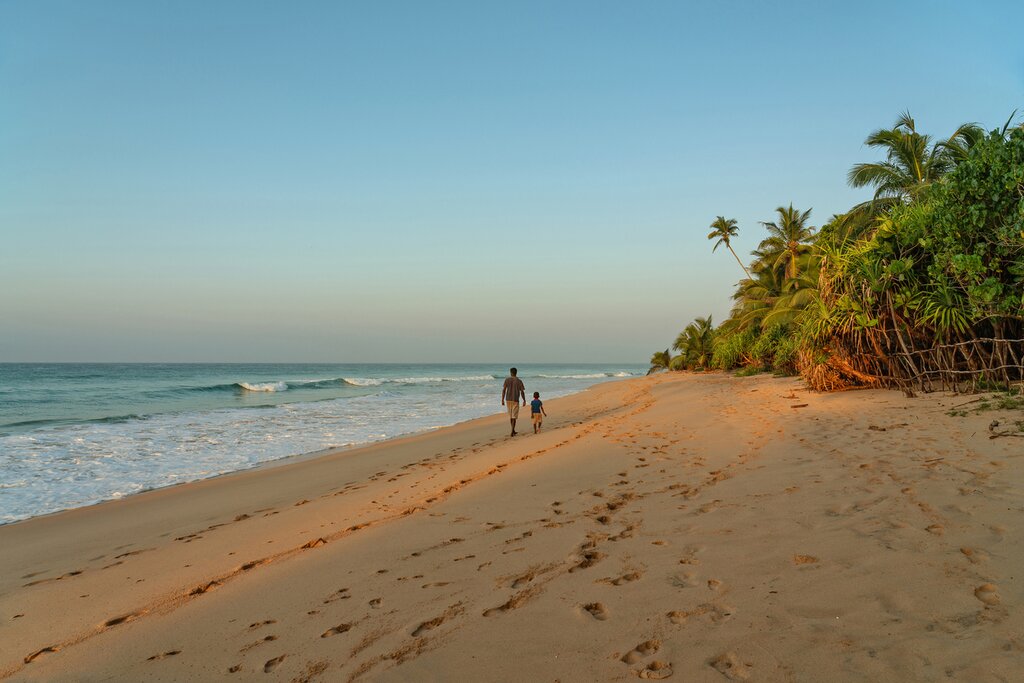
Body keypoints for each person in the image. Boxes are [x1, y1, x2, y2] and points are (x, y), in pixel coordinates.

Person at [501, 367, 527, 436]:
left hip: (508, 399)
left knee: (511, 416)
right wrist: (524, 400)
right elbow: (522, 392)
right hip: (515, 400)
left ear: (510, 372)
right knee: (514, 416)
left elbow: (504, 390)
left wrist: (502, 400)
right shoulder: (519, 381)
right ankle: (512, 431)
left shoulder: (507, 380)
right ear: (516, 372)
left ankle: (513, 430)